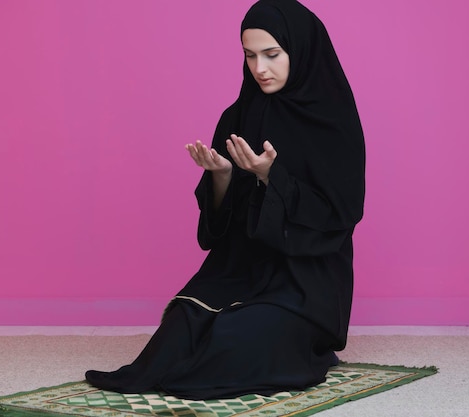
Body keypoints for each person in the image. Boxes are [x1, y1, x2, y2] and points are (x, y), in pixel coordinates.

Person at [85, 0, 365, 400]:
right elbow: (221, 226)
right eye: (250, 56)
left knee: (239, 336)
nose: (260, 69)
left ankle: (298, 341)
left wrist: (272, 176)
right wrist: (221, 176)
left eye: (272, 54)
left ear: (300, 50)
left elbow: (341, 213)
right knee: (183, 323)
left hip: (306, 281)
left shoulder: (333, 121)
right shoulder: (237, 116)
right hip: (241, 269)